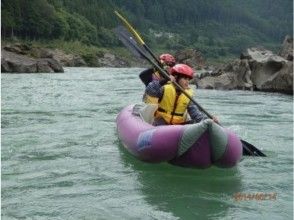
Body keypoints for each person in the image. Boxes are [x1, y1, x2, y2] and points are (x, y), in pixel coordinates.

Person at [145, 63, 219, 126]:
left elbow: (195, 114)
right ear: (176, 77)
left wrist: (209, 120)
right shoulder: (165, 88)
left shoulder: (187, 95)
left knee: (199, 122)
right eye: (184, 79)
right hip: (161, 122)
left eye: (188, 80)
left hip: (179, 125)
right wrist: (164, 81)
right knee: (160, 122)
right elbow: (150, 91)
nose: (187, 82)